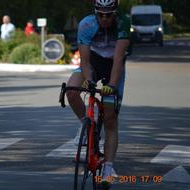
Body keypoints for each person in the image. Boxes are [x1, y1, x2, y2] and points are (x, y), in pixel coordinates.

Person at [66, 0, 130, 188]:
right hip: (93, 62)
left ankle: (108, 168)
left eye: (108, 14)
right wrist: (88, 81)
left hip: (113, 66)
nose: (104, 18)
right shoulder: (86, 24)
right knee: (71, 90)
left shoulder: (123, 23)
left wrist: (111, 84)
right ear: (95, 12)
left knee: (110, 119)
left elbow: (118, 59)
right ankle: (86, 124)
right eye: (100, 14)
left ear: (115, 13)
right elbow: (85, 61)